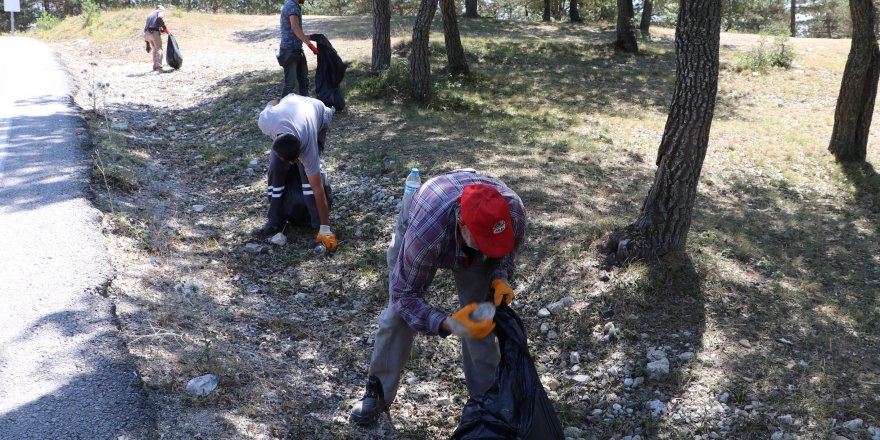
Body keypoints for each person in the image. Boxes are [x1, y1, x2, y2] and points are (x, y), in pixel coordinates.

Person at [350, 170, 528, 426]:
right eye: (485, 241)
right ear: (462, 225)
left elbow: (507, 250)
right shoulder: (425, 232)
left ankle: (487, 402)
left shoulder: (513, 212)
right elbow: (405, 296)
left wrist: (500, 276)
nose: (491, 247)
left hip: (463, 233)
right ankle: (377, 393)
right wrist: (449, 323)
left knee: (481, 316)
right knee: (396, 315)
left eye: (495, 240)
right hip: (426, 221)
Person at [254, 93, 337, 252]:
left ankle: (317, 225)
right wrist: (274, 101)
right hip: (289, 103)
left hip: (318, 112)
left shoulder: (307, 146)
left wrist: (326, 229)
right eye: (290, 160)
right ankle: (273, 221)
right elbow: (271, 103)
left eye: (295, 158)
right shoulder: (266, 121)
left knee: (308, 178)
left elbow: (318, 189)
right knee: (275, 169)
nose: (292, 163)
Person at [278, 0, 319, 97]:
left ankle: (305, 104)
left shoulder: (291, 4)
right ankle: (280, 109)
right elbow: (295, 28)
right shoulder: (292, 6)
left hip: (297, 49)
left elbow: (294, 30)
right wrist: (310, 45)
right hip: (289, 51)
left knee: (304, 80)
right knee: (290, 83)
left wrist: (307, 37)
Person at [143, 5, 169, 72]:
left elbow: (145, 28)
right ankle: (159, 67)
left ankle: (155, 66)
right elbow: (160, 18)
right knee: (159, 49)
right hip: (154, 32)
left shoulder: (150, 15)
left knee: (154, 49)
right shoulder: (160, 11)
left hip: (146, 33)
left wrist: (147, 43)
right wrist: (164, 28)